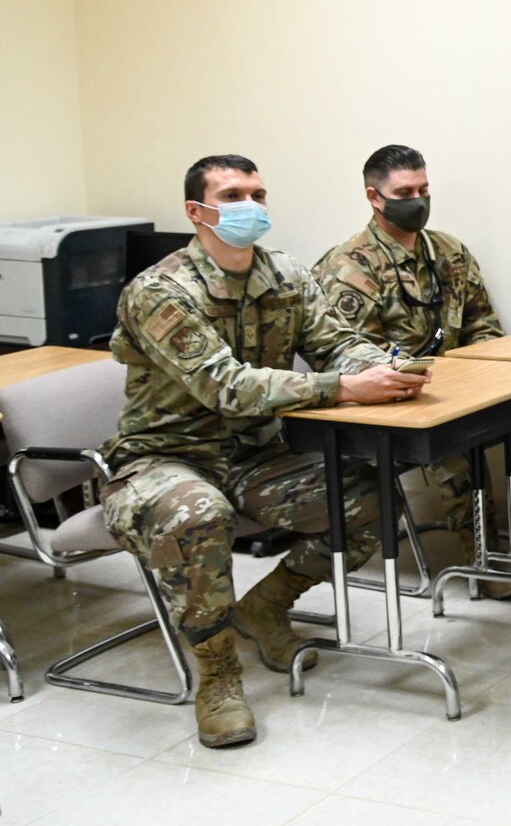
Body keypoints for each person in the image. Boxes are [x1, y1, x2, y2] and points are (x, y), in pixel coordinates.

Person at [100, 154, 431, 749]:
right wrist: (343, 387)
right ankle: (218, 673)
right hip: (164, 459)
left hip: (256, 455)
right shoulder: (159, 291)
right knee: (198, 514)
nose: (250, 206)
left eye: (257, 193)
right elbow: (224, 385)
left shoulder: (286, 276)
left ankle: (267, 605)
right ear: (196, 211)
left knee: (368, 500)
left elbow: (336, 345)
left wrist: (381, 368)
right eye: (233, 195)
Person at [313, 144, 511, 599]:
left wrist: (492, 373)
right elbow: (349, 352)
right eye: (405, 191)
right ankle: (477, 556)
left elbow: (483, 322)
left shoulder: (449, 251)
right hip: (391, 400)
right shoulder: (349, 266)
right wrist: (420, 377)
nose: (418, 199)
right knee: (455, 448)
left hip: (458, 387)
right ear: (375, 197)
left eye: (424, 188)